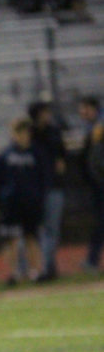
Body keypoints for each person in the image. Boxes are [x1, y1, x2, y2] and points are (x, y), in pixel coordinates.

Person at [0, 117, 46, 285]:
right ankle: (14, 273)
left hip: (31, 203)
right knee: (11, 239)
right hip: (11, 204)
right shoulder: (6, 155)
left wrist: (40, 197)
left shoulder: (36, 153)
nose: (23, 136)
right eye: (19, 132)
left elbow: (43, 178)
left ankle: (36, 271)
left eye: (25, 132)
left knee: (32, 238)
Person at [28, 102, 67, 281]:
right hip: (36, 187)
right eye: (44, 112)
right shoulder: (30, 134)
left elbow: (61, 156)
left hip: (53, 186)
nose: (48, 115)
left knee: (52, 230)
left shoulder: (53, 131)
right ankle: (42, 267)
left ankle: (48, 266)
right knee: (38, 231)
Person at [78, 96, 104, 271]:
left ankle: (92, 260)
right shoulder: (92, 128)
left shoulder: (99, 128)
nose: (82, 113)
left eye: (85, 109)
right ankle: (92, 260)